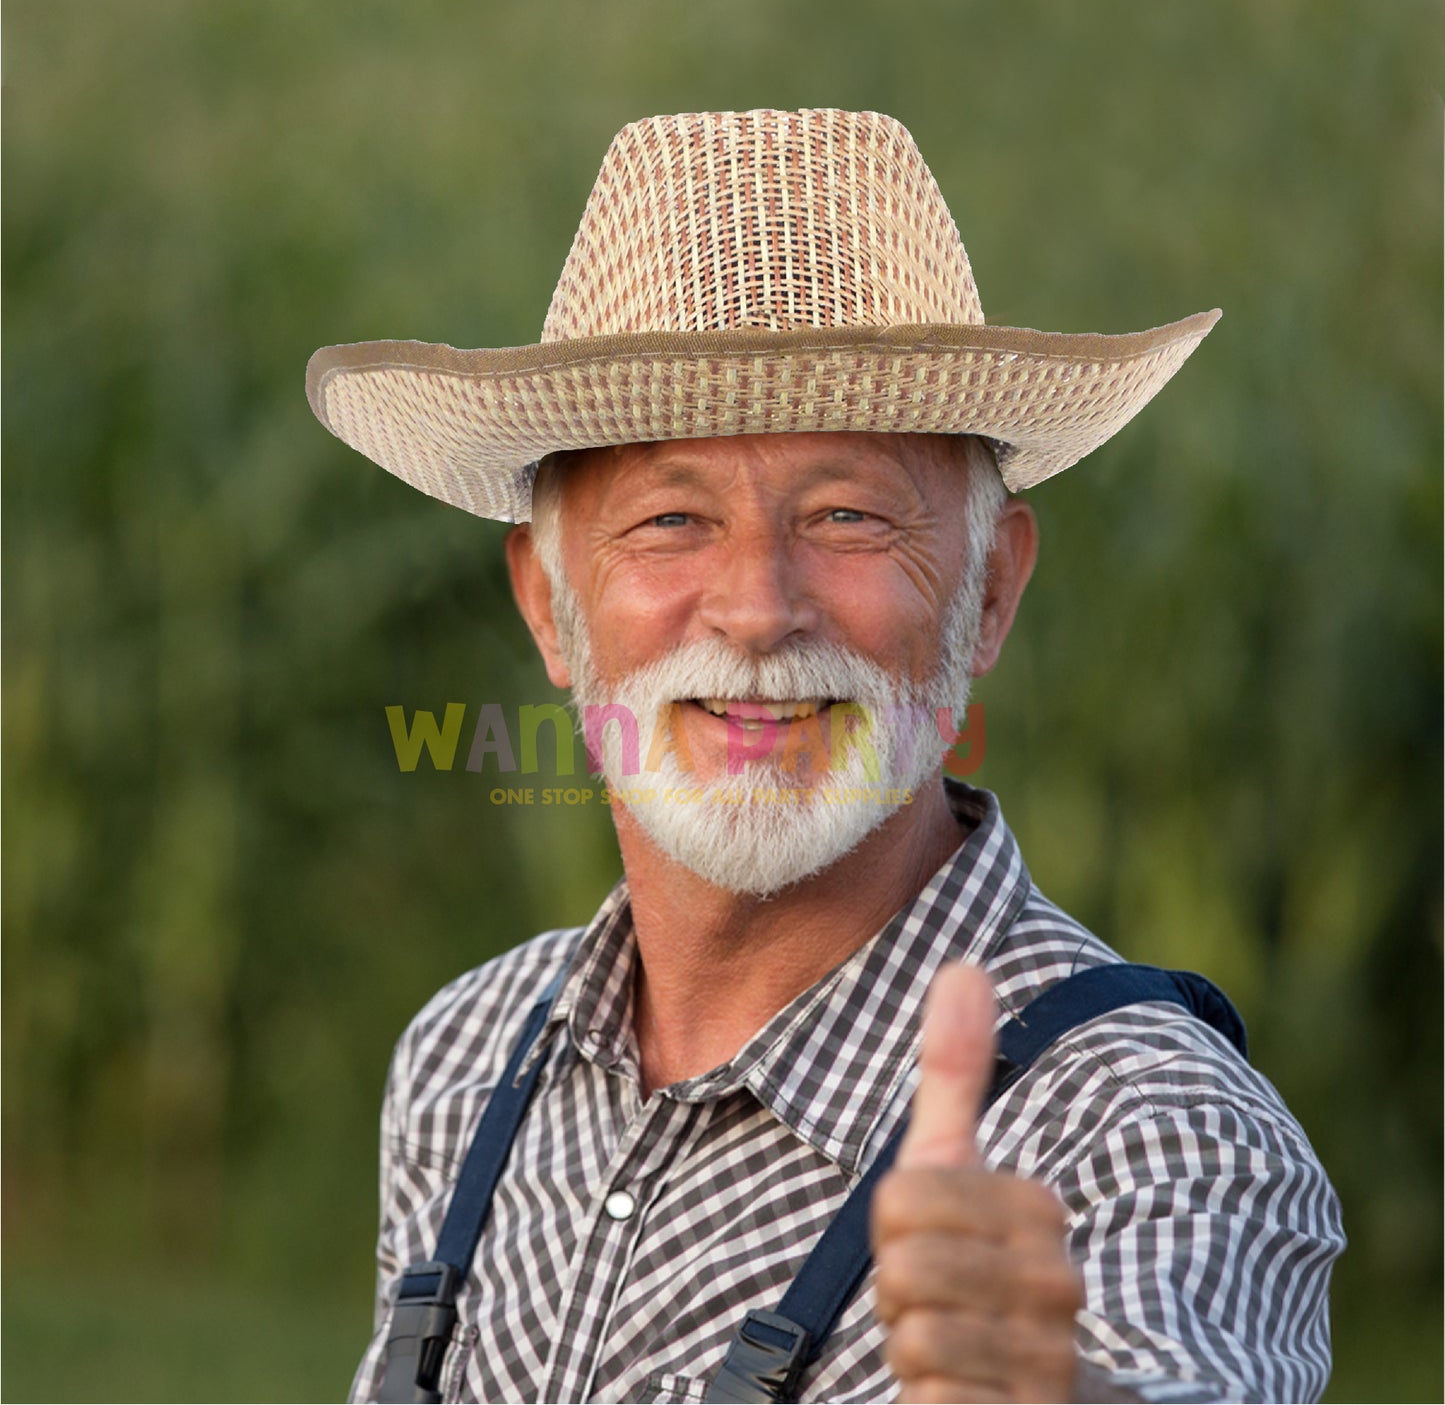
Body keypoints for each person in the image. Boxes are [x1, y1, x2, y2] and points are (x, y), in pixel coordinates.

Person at [307, 109, 1343, 1404]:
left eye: (848, 517)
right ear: (546, 603)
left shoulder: (1149, 1135)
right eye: (670, 519)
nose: (756, 607)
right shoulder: (469, 1058)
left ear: (989, 592)